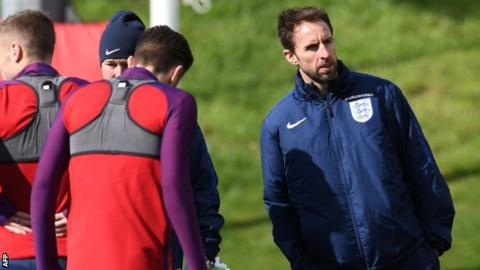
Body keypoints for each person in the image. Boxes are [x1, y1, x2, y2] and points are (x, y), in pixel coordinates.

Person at [260, 6, 455, 270]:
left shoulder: (382, 95)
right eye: (312, 47)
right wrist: (301, 262)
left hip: (407, 259)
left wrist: (432, 244)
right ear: (290, 56)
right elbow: (278, 203)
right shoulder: (279, 124)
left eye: (328, 41)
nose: (325, 53)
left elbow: (422, 167)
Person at [31, 25, 208, 270]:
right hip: (144, 260)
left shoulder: (76, 99)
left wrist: (46, 265)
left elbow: (43, 185)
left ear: (133, 61)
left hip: (80, 261)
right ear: (176, 74)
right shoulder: (177, 102)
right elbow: (174, 187)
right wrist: (198, 265)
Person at [97, 10, 224, 269]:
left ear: (137, 61)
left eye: (126, 64)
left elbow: (201, 188)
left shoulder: (177, 119)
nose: (120, 73)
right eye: (111, 64)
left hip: (160, 255)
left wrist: (205, 254)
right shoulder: (83, 113)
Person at [0, 10, 87, 269]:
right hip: (74, 251)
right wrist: (75, 211)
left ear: (15, 51)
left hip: (8, 254)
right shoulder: (88, 94)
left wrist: (2, 211)